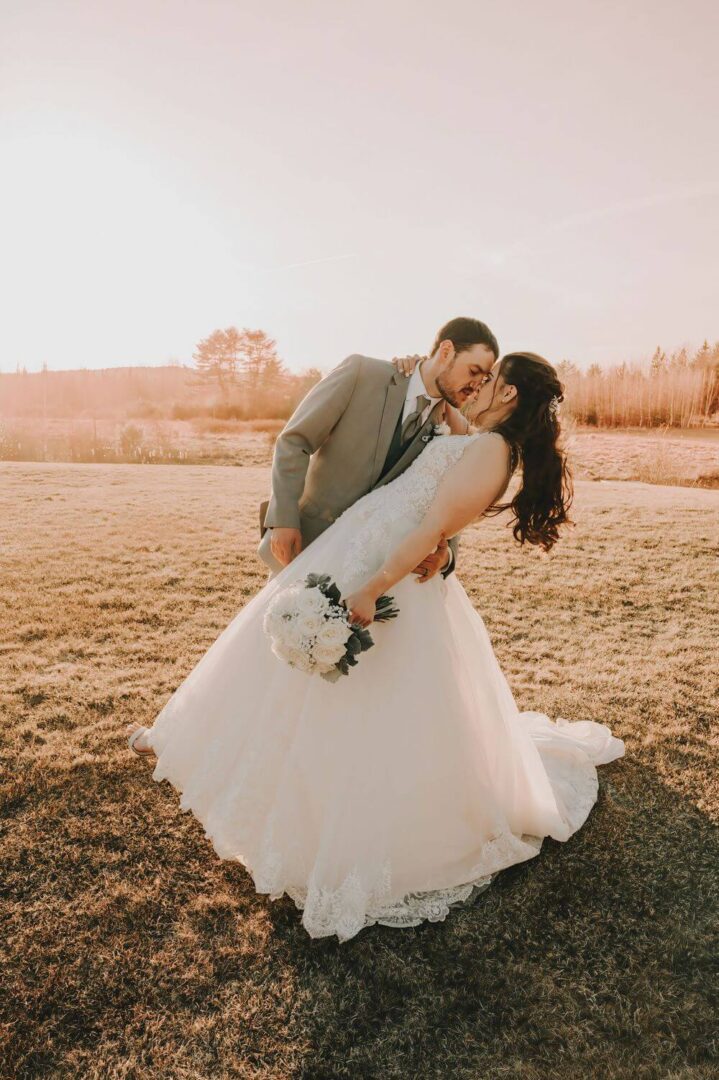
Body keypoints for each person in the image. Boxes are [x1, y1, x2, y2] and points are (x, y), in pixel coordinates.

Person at [126, 349, 625, 943]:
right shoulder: (478, 434)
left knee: (373, 694)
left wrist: (371, 589)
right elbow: (435, 464)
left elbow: (430, 528)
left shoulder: (493, 451)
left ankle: (340, 819)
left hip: (385, 574)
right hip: (355, 546)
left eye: (491, 379)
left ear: (510, 393)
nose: (480, 384)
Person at [257, 315, 500, 580]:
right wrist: (283, 519)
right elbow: (295, 441)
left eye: (484, 378)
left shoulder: (451, 426)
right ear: (445, 351)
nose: (476, 385)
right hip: (309, 540)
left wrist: (447, 554)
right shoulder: (362, 373)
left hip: (374, 568)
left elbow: (448, 497)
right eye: (473, 371)